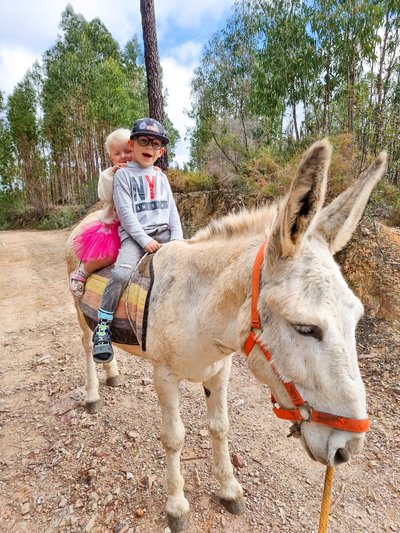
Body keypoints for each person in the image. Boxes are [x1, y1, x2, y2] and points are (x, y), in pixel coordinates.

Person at [92, 117, 183, 364]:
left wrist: (177, 239)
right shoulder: (123, 176)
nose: (149, 147)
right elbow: (127, 214)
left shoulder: (161, 177)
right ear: (133, 145)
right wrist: (144, 241)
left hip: (164, 231)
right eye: (143, 141)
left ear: (161, 151)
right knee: (121, 274)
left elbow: (172, 211)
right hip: (135, 235)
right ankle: (103, 326)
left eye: (156, 144)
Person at [69, 128, 160, 298]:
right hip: (116, 225)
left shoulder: (143, 171)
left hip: (142, 224)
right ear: (111, 158)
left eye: (128, 151)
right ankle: (82, 272)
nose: (124, 156)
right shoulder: (109, 175)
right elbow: (104, 195)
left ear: (135, 149)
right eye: (118, 153)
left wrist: (154, 174)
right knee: (110, 253)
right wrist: (112, 174)